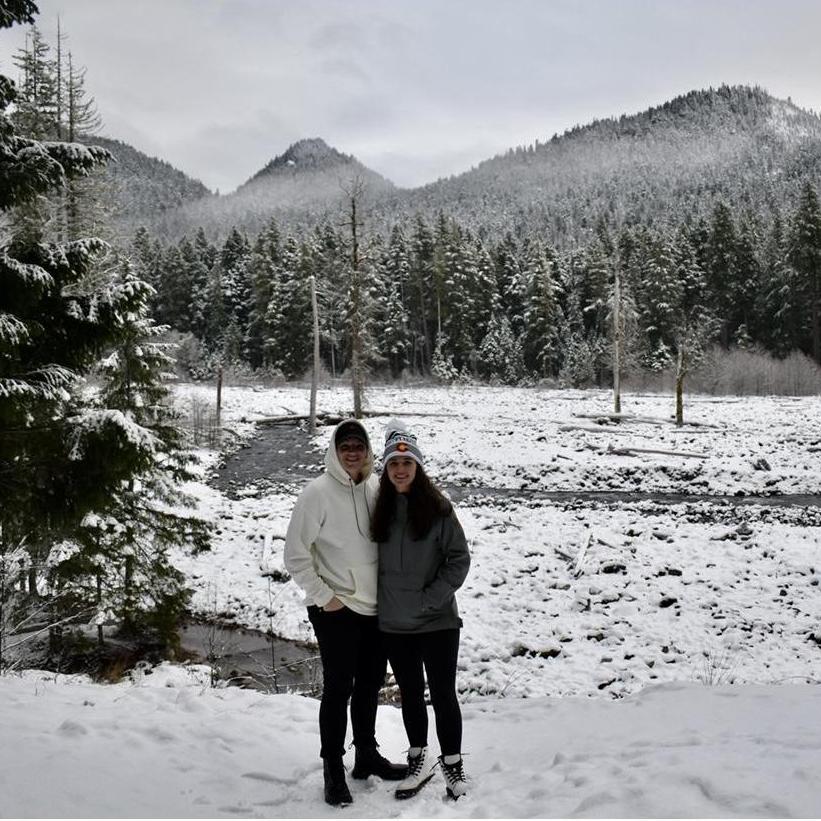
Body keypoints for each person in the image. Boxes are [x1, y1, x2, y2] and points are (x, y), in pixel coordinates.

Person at [284, 419, 406, 807]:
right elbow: (295, 555)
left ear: (368, 451)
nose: (352, 452)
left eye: (359, 445)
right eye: (345, 446)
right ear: (334, 452)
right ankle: (333, 768)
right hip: (335, 607)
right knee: (339, 688)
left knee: (370, 683)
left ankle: (365, 756)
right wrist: (324, 596)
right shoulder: (316, 493)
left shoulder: (375, 487)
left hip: (375, 606)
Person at [371, 421, 471, 800]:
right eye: (394, 464)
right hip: (395, 623)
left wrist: (432, 598)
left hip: (437, 620)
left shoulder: (439, 509)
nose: (401, 470)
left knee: (444, 694)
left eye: (408, 463)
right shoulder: (376, 509)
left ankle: (453, 764)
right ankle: (418, 758)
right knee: (411, 694)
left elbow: (458, 559)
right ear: (386, 468)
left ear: (418, 466)